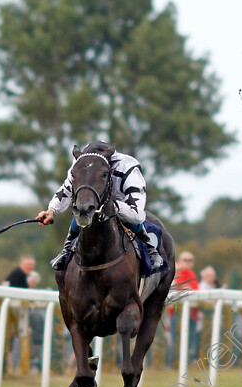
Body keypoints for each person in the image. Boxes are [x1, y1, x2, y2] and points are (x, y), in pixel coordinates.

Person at [34, 140, 163, 270]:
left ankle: (151, 250)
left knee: (130, 219)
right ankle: (67, 249)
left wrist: (113, 207)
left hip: (122, 205)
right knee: (80, 210)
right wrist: (51, 210)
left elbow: (137, 215)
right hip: (92, 202)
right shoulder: (80, 164)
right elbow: (66, 189)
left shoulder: (128, 166)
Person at [164, 252, 198, 366]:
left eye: (190, 260)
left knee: (189, 340)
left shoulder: (192, 274)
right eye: (185, 260)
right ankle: (170, 363)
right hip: (175, 313)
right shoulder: (174, 273)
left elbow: (196, 290)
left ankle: (184, 363)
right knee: (173, 340)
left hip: (190, 314)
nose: (188, 262)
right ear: (180, 261)